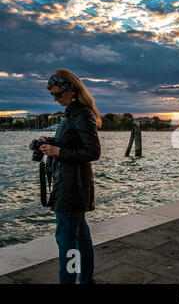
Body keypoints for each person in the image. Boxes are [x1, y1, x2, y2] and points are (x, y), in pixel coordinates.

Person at [38, 68, 101, 284]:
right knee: (80, 237)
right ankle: (86, 281)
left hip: (72, 187)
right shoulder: (72, 111)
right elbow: (71, 143)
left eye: (59, 94)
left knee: (67, 242)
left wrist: (58, 152)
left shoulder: (81, 113)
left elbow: (93, 152)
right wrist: (50, 142)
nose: (56, 99)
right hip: (70, 184)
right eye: (52, 95)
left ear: (72, 90)